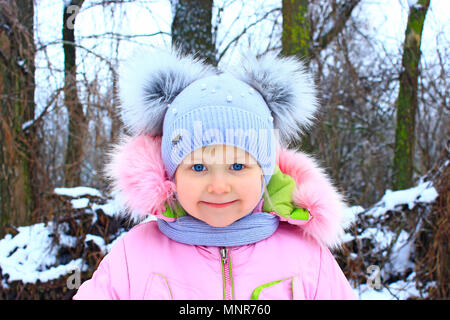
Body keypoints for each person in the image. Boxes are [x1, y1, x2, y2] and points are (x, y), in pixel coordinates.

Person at [73, 48, 356, 300]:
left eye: (237, 167)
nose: (218, 186)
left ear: (264, 173)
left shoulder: (306, 256)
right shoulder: (134, 256)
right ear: (171, 175)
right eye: (198, 168)